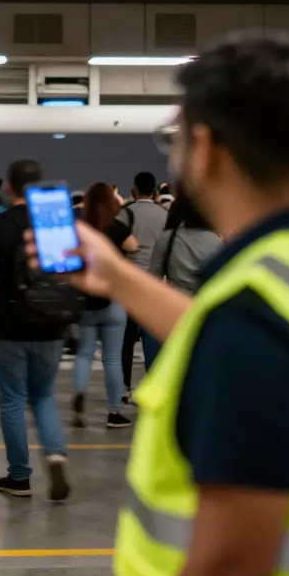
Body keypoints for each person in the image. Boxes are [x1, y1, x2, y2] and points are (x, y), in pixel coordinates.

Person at [53, 34, 289, 576]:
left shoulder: (255, 313)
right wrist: (119, 276)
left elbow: (232, 568)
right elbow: (235, 338)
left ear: (204, 147)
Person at [0, 159, 71, 501]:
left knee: (12, 400)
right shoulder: (52, 223)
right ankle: (55, 455)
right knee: (43, 395)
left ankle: (19, 476)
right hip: (51, 323)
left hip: (11, 324)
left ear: (9, 187)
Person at [70, 183, 138, 430]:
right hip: (112, 300)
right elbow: (134, 246)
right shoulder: (116, 226)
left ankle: (79, 398)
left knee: (84, 354)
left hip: (85, 301)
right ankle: (114, 411)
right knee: (112, 358)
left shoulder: (80, 228)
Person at [140, 191, 222, 371]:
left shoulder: (168, 238)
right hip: (204, 312)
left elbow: (152, 278)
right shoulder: (217, 242)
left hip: (173, 308)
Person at [117, 171, 168, 404]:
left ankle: (124, 387)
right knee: (152, 341)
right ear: (155, 190)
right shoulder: (165, 215)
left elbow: (118, 244)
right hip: (155, 283)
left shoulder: (125, 213)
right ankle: (154, 386)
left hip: (129, 283)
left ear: (134, 190)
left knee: (125, 341)